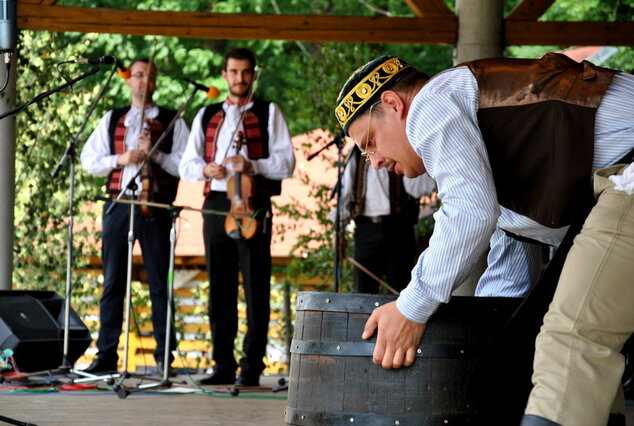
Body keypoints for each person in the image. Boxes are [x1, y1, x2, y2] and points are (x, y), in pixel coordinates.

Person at [334, 54, 634, 425]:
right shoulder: (493, 159)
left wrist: (411, 307)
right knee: (542, 354)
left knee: (571, 337)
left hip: (628, 176)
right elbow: (507, 279)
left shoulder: (431, 100)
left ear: (394, 104)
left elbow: (470, 213)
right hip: (615, 190)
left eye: (369, 144)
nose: (374, 162)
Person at [179, 48, 295, 387]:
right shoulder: (206, 113)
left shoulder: (269, 111)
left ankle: (252, 366)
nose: (240, 78)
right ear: (223, 74)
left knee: (256, 285)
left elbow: (286, 162)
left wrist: (253, 165)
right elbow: (187, 165)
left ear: (253, 75)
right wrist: (206, 168)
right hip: (216, 202)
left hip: (255, 201)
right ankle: (223, 364)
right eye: (234, 72)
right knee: (220, 286)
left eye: (246, 72)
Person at [80, 58, 189, 374]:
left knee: (158, 282)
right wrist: (122, 158)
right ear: (129, 80)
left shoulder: (173, 120)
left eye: (150, 76)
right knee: (113, 281)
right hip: (118, 204)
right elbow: (90, 159)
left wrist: (155, 153)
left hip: (155, 206)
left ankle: (163, 357)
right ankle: (106, 356)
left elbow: (185, 165)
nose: (144, 81)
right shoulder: (112, 118)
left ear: (155, 82)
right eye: (139, 75)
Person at [335, 145, 436, 294]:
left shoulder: (401, 144)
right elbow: (346, 192)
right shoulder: (357, 152)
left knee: (401, 289)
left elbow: (419, 189)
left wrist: (410, 155)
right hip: (366, 229)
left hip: (400, 228)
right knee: (363, 291)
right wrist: (339, 231)